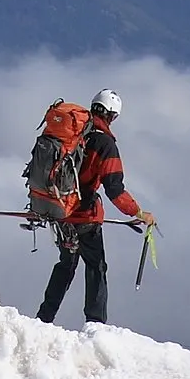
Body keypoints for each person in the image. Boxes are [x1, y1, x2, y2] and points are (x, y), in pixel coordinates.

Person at [36, 88, 156, 326]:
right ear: (113, 116)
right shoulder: (105, 143)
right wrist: (138, 213)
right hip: (85, 217)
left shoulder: (73, 133)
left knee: (66, 264)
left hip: (59, 211)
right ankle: (95, 324)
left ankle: (43, 318)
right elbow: (114, 188)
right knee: (96, 267)